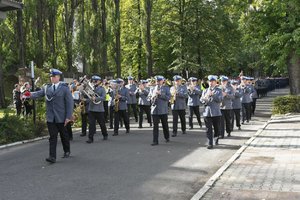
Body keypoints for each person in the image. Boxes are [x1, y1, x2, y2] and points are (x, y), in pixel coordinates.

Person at [25, 69, 73, 163]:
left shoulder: (64, 88)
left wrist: (68, 117)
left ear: (58, 77)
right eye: (51, 77)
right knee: (52, 137)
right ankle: (52, 157)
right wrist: (28, 94)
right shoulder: (47, 87)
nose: (52, 78)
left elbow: (69, 103)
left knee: (64, 135)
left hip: (61, 117)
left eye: (54, 77)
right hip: (51, 117)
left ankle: (67, 150)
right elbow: (39, 94)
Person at [200, 75, 223, 149]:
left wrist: (213, 95)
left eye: (212, 81)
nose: (211, 83)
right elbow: (201, 100)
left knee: (217, 128)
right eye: (210, 81)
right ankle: (210, 143)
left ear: (216, 82)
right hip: (207, 112)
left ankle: (216, 137)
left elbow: (220, 99)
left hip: (216, 112)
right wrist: (205, 98)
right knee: (208, 129)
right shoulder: (205, 90)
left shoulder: (219, 90)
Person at [149, 75, 171, 146]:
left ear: (162, 81)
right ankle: (155, 141)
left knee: (165, 125)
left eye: (159, 81)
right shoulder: (152, 88)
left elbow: (168, 98)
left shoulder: (166, 88)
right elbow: (148, 98)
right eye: (156, 81)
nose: (157, 82)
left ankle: (167, 137)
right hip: (154, 110)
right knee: (155, 126)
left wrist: (160, 94)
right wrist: (152, 97)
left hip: (163, 110)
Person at [86, 75, 108, 143]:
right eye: (93, 81)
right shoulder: (90, 88)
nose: (94, 82)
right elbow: (87, 96)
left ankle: (105, 134)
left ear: (99, 81)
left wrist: (96, 98)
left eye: (96, 81)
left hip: (99, 109)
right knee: (91, 124)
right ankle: (90, 138)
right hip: (91, 108)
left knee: (102, 123)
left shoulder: (102, 89)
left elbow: (104, 98)